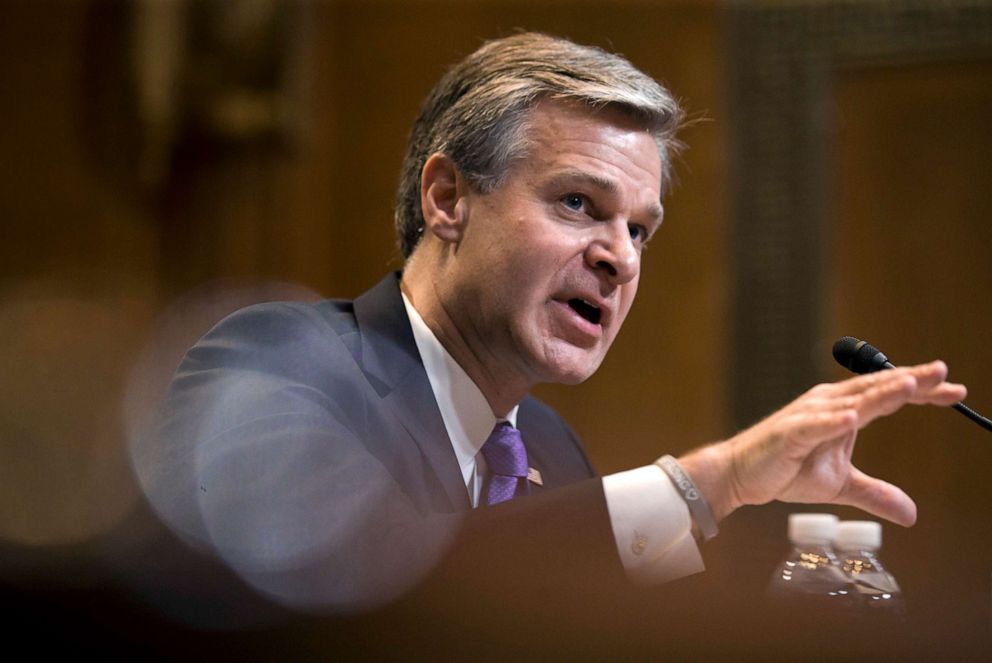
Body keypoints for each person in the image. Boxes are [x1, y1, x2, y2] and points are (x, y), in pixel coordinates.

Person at [149, 32, 966, 622]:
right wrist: (708, 483)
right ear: (447, 199)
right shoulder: (278, 363)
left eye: (640, 229)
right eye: (579, 203)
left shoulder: (549, 450)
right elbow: (355, 598)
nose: (620, 258)